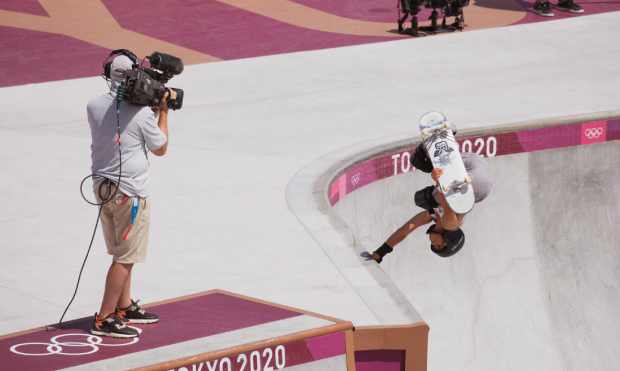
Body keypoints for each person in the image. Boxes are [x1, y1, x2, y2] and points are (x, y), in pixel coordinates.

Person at [87, 54, 174, 338]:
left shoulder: (94, 105)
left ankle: (124, 306)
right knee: (125, 257)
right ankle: (105, 317)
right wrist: (163, 110)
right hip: (130, 193)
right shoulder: (141, 113)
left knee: (120, 251)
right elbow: (160, 148)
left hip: (102, 188)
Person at [370, 143, 492, 263]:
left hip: (476, 170)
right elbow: (447, 208)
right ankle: (437, 148)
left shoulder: (431, 215)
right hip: (477, 181)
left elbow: (404, 230)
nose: (433, 243)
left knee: (424, 188)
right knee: (423, 198)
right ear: (449, 239)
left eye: (434, 246)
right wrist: (438, 181)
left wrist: (380, 253)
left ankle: (444, 148)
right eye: (439, 246)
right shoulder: (451, 225)